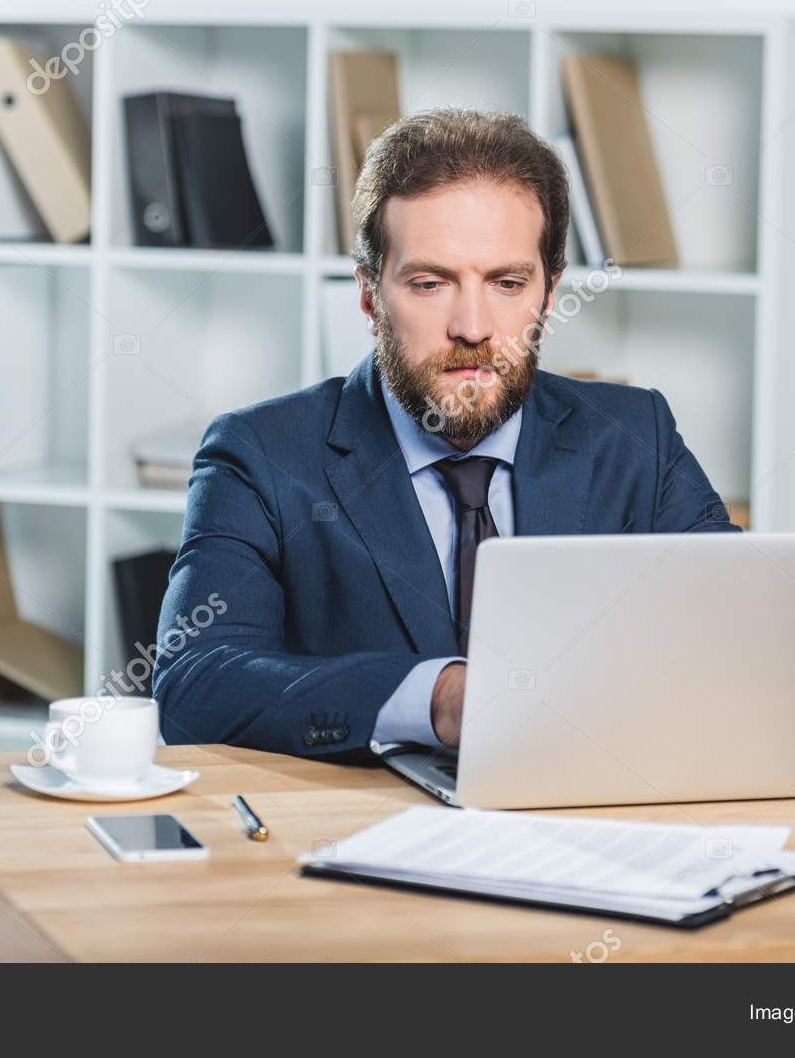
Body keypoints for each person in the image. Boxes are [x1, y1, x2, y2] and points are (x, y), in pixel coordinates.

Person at [151, 107, 738, 760]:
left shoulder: (637, 436)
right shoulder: (261, 456)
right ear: (371, 296)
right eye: (430, 283)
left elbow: (739, 636)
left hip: (593, 817)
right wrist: (438, 699)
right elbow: (194, 685)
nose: (472, 326)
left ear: (548, 296)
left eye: (507, 283)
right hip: (357, 837)